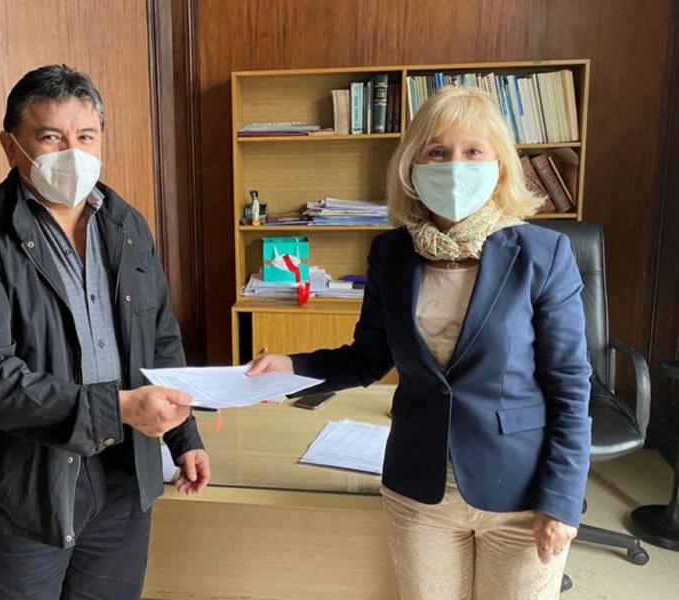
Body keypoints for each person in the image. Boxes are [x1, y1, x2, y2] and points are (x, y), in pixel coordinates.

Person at [249, 86, 591, 600]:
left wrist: (562, 498)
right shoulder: (391, 254)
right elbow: (368, 358)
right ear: (412, 165)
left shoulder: (543, 255)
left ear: (499, 165)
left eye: (473, 151)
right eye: (437, 151)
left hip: (520, 491)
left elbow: (569, 386)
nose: (455, 166)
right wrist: (291, 367)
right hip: (419, 487)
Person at [0, 64, 210, 600]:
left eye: (86, 137)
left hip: (123, 480)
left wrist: (182, 436)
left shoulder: (127, 224)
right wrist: (120, 408)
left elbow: (160, 339)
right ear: (11, 146)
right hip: (24, 490)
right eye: (51, 137)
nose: (72, 153)